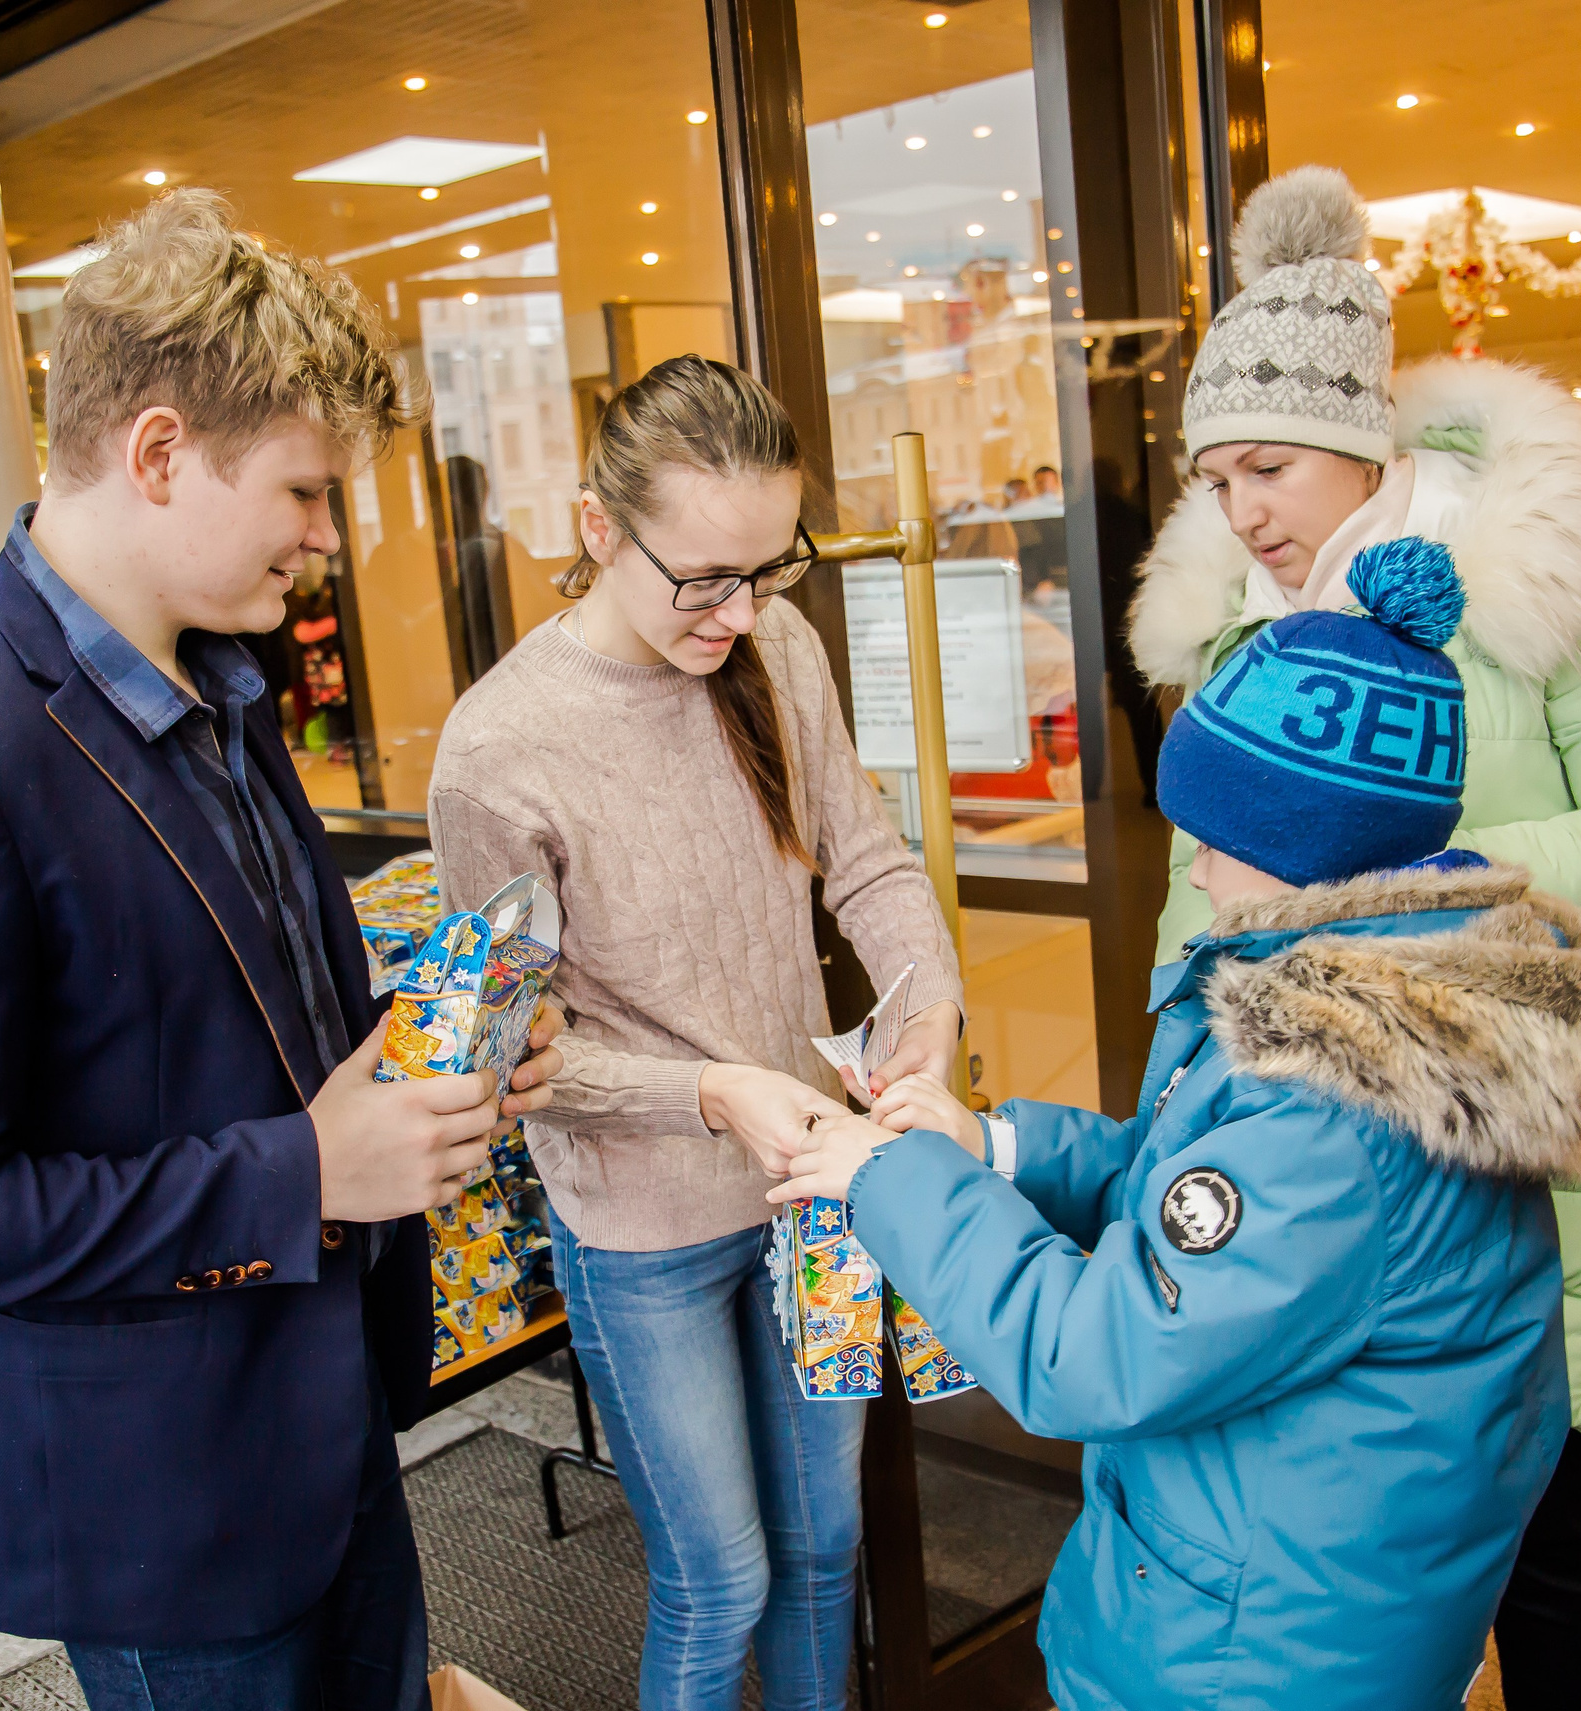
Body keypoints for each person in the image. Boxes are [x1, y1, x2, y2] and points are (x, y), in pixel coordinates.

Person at [0, 188, 560, 1711]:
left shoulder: (222, 690)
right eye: (301, 490)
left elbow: (257, 1035)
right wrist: (307, 1171)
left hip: (327, 1415)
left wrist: (440, 1055)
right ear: (157, 453)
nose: (328, 540)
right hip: (162, 1499)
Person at [777, 541, 1581, 1709]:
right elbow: (1182, 1178)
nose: (1197, 866)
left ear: (1305, 850)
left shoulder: (1332, 1096)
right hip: (1312, 1578)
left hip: (1251, 1650)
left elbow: (1092, 1355)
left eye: (1215, 835)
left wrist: (889, 1177)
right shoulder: (1380, 996)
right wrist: (992, 1149)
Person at [1124, 166, 1581, 1711]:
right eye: (1214, 479)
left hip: (1527, 1141)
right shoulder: (1238, 621)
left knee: (1546, 1543)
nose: (1239, 511)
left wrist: (1440, 876)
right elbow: (1207, 883)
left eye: (1267, 466)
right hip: (1317, 1163)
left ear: (1360, 443)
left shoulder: (1554, 593)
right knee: (1370, 1555)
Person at [427, 354, 962, 1711]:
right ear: (601, 532)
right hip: (641, 1224)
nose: (736, 612)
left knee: (826, 1546)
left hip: (813, 1183)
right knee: (719, 1576)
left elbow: (869, 858)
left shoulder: (776, 645)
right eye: (701, 578)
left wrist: (928, 1006)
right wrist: (715, 1088)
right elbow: (517, 1057)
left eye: (767, 570)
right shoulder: (497, 751)